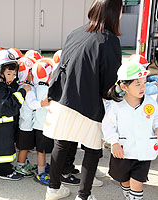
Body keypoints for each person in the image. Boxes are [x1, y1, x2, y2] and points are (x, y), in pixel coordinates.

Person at [43, 0, 123, 199]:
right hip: (88, 102)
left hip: (63, 97)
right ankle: (83, 196)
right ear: (115, 12)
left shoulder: (76, 32)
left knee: (61, 143)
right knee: (92, 148)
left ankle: (53, 189)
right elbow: (110, 81)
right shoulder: (109, 40)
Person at [102, 62, 158, 200]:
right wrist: (114, 143)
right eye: (137, 84)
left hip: (144, 151)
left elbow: (156, 119)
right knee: (124, 180)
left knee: (137, 183)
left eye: (144, 82)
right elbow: (108, 126)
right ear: (124, 86)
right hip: (123, 152)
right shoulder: (116, 106)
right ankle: (128, 192)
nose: (143, 87)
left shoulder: (151, 102)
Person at [0, 50, 30, 180]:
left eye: (14, 74)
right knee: (3, 148)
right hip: (1, 127)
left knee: (2, 147)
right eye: (9, 73)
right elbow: (8, 106)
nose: (12, 77)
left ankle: (1, 165)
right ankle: (5, 172)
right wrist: (22, 92)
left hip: (3, 125)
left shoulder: (4, 85)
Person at [29, 59, 55, 185]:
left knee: (41, 150)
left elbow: (33, 104)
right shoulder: (51, 89)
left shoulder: (34, 88)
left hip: (39, 125)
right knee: (44, 150)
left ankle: (42, 168)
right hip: (49, 124)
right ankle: (40, 172)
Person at [14, 56, 37, 178]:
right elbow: (32, 105)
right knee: (24, 147)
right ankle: (20, 165)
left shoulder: (22, 86)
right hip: (26, 125)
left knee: (25, 147)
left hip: (24, 122)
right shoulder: (27, 88)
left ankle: (24, 162)